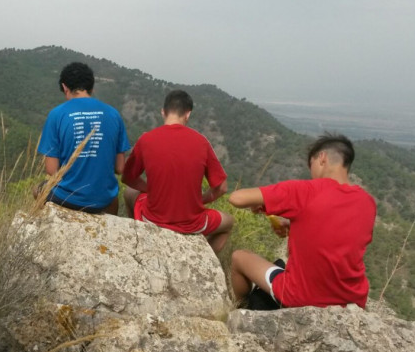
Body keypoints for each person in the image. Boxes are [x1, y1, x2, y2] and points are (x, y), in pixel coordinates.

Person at [228, 132, 376, 309]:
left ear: (322, 158)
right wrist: (292, 224)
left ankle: (240, 313)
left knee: (239, 257)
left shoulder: (306, 190)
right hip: (352, 300)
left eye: (311, 164)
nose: (311, 172)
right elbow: (334, 231)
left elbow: (236, 198)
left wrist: (258, 202)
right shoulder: (367, 202)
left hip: (303, 296)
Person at [122, 90, 233, 254]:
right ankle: (202, 258)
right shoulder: (201, 142)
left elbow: (128, 178)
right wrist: (201, 200)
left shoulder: (146, 139)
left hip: (152, 218)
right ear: (188, 115)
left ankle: (139, 235)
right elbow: (222, 187)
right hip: (192, 223)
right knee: (229, 222)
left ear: (163, 112)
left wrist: (150, 190)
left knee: (129, 193)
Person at [36, 62, 130, 214]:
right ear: (91, 88)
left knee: (38, 190)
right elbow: (120, 168)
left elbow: (52, 170)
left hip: (67, 199)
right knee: (113, 195)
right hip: (104, 201)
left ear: (65, 87)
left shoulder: (56, 114)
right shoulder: (113, 114)